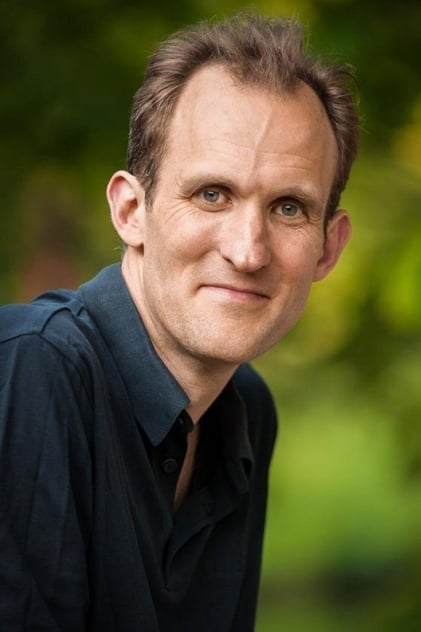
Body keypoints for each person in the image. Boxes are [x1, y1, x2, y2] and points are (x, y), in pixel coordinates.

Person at [0, 13, 359, 632]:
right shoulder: (32, 371)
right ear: (131, 210)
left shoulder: (244, 411)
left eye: (288, 207)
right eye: (212, 194)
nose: (248, 251)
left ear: (328, 247)